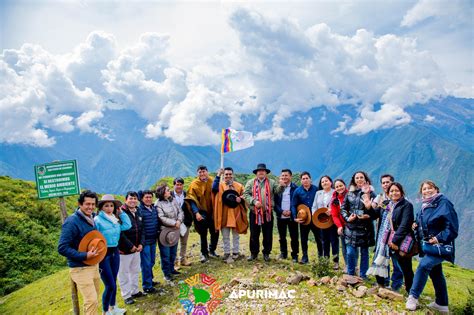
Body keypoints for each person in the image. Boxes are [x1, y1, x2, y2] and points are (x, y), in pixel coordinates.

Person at [406, 180, 459, 313]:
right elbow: (423, 222)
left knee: (423, 266)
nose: (427, 191)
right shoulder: (426, 205)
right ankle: (441, 304)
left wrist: (438, 238)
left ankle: (413, 297)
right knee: (436, 273)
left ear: (436, 189)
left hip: (441, 246)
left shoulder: (443, 203)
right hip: (429, 246)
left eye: (430, 188)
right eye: (424, 189)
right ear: (421, 192)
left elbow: (452, 227)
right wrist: (415, 224)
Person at [58, 190, 102, 315]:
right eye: (87, 204)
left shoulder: (91, 218)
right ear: (80, 204)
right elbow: (62, 247)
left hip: (93, 265)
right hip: (80, 268)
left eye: (93, 204)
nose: (91, 207)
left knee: (92, 301)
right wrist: (85, 255)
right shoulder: (72, 222)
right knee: (91, 301)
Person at [368, 182, 414, 293]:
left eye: (396, 190)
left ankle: (410, 292)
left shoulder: (406, 205)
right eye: (391, 191)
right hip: (383, 240)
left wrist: (394, 241)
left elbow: (405, 224)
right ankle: (381, 286)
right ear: (388, 193)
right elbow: (374, 215)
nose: (394, 193)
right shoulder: (385, 204)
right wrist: (369, 206)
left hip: (398, 241)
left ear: (401, 192)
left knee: (404, 266)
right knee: (380, 260)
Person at [94, 194, 131, 315]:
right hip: (103, 253)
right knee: (109, 284)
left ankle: (113, 307)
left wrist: (121, 213)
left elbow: (127, 226)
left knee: (113, 282)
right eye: (106, 206)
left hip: (115, 251)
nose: (109, 208)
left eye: (111, 206)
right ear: (101, 207)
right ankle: (105, 311)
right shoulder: (97, 220)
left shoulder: (114, 219)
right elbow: (94, 237)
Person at [244, 163, 284, 262]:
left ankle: (266, 253)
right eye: (259, 171)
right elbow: (245, 194)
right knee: (254, 234)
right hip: (254, 213)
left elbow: (277, 191)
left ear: (266, 172)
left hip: (267, 213)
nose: (261, 172)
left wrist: (282, 186)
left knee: (268, 234)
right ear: (256, 173)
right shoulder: (250, 182)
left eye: (263, 171)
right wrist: (254, 201)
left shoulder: (272, 182)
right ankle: (254, 253)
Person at [341, 171, 376, 279]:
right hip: (351, 227)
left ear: (366, 179)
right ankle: (350, 274)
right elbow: (343, 209)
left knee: (364, 253)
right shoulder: (349, 193)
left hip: (365, 228)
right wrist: (347, 218)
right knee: (350, 252)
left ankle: (363, 275)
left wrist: (368, 215)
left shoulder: (371, 194)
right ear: (354, 180)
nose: (359, 179)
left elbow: (376, 212)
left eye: (361, 177)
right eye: (357, 178)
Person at [372, 174, 404, 290]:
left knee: (397, 262)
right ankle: (384, 283)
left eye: (388, 182)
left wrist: (395, 239)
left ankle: (396, 286)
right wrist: (368, 205)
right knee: (382, 258)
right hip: (383, 236)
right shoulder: (383, 201)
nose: (386, 184)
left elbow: (404, 221)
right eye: (383, 182)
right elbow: (375, 214)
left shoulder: (403, 203)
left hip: (395, 237)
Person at [212, 167, 248, 263]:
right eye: (226, 174)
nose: (228, 176)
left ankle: (236, 252)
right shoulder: (220, 186)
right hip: (224, 214)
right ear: (224, 175)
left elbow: (245, 195)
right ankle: (227, 253)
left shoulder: (239, 186)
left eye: (230, 174)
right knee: (225, 235)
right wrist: (218, 175)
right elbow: (213, 188)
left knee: (236, 235)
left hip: (236, 213)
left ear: (233, 175)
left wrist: (240, 198)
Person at [187, 165, 220, 263]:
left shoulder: (212, 180)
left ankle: (212, 250)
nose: (202, 174)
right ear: (197, 173)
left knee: (215, 231)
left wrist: (219, 176)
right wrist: (196, 213)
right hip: (201, 211)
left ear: (207, 172)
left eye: (204, 171)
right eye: (200, 172)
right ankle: (204, 253)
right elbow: (191, 200)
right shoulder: (194, 184)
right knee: (203, 233)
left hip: (213, 210)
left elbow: (216, 191)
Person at [117, 191, 145, 305]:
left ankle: (135, 291)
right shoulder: (121, 212)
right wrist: (131, 246)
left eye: (135, 198)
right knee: (123, 273)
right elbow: (120, 233)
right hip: (124, 250)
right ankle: (126, 295)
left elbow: (142, 229)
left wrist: (141, 244)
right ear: (125, 200)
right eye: (131, 198)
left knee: (135, 271)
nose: (133, 201)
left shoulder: (138, 211)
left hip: (137, 249)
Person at [291, 171, 321, 264]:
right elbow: (293, 205)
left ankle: (321, 257)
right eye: (303, 179)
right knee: (304, 238)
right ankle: (305, 257)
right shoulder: (297, 191)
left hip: (315, 218)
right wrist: (295, 217)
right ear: (301, 180)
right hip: (304, 219)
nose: (305, 180)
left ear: (310, 179)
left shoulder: (316, 189)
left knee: (319, 238)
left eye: (307, 178)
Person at [155, 184, 184, 281]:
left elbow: (180, 211)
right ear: (162, 192)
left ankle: (172, 269)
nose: (169, 191)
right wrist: (174, 222)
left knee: (173, 252)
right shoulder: (158, 204)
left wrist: (179, 221)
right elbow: (161, 217)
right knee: (165, 254)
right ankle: (166, 273)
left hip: (175, 229)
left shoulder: (173, 200)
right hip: (164, 232)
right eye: (167, 190)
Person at [313, 175, 339, 269]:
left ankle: (336, 261)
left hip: (332, 220)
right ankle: (326, 261)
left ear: (331, 182)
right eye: (322, 182)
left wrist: (332, 211)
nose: (324, 183)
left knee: (334, 241)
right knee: (324, 241)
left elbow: (338, 205)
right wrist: (314, 216)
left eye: (326, 181)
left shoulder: (335, 192)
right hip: (321, 221)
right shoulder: (318, 193)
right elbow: (314, 206)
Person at [274, 169, 299, 262]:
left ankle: (295, 255)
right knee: (282, 236)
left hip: (292, 216)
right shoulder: (277, 188)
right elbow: (274, 203)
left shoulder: (295, 188)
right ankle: (283, 253)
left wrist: (292, 212)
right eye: (282, 176)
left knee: (294, 236)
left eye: (286, 175)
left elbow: (298, 203)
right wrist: (281, 211)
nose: (284, 177)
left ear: (290, 177)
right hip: (281, 216)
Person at [138, 190, 160, 293]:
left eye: (150, 197)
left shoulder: (154, 209)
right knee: (146, 263)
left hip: (153, 239)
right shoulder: (140, 210)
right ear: (142, 199)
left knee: (151, 261)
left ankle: (150, 280)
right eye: (146, 197)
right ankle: (147, 286)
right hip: (145, 241)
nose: (148, 199)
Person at [171, 177, 192, 267]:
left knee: (184, 242)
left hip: (185, 222)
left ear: (183, 185)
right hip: (173, 223)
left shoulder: (187, 195)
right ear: (174, 185)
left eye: (180, 184)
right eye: (177, 184)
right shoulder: (169, 195)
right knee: (173, 242)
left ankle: (183, 259)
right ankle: (175, 262)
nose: (179, 186)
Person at [330, 179, 348, 270]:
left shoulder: (350, 195)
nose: (339, 188)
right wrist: (339, 226)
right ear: (334, 188)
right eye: (337, 187)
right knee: (344, 246)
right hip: (342, 226)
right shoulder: (334, 200)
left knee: (353, 247)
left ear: (345, 185)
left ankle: (355, 266)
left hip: (352, 225)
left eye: (341, 185)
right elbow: (334, 215)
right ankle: (347, 265)